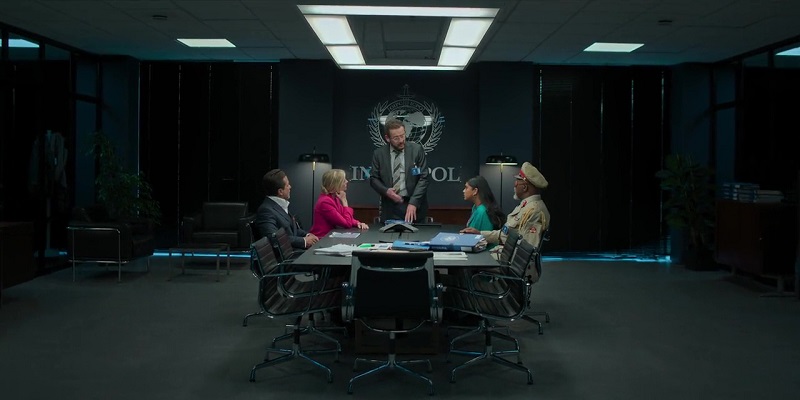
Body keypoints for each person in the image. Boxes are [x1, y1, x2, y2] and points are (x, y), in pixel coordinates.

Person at [461, 162, 550, 252]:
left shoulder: (534, 211)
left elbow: (527, 251)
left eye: (517, 182)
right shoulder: (525, 206)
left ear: (524, 187)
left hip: (507, 257)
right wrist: (480, 233)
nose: (515, 185)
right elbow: (504, 235)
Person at [369, 118, 429, 223]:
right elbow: (374, 179)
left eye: (402, 135)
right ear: (387, 138)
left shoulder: (416, 150)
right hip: (390, 207)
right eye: (396, 138)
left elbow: (424, 178)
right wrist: (386, 191)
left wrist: (414, 202)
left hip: (414, 206)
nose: (401, 140)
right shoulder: (379, 154)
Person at [255, 169, 319, 250]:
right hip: (289, 254)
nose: (290, 187)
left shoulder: (280, 205)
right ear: (280, 191)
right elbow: (273, 238)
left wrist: (308, 236)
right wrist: (303, 241)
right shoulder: (266, 211)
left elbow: (294, 230)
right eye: (288, 185)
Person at [309, 169, 369, 237]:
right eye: (343, 180)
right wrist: (344, 201)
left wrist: (358, 223)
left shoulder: (334, 199)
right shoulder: (325, 202)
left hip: (330, 238)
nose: (347, 181)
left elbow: (344, 217)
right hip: (321, 239)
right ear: (335, 184)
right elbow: (347, 224)